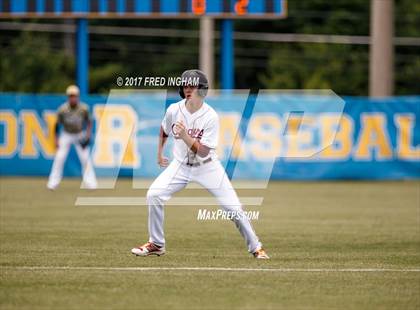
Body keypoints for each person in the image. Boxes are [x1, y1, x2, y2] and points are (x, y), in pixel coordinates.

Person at [131, 70, 269, 259]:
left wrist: (186, 136)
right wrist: (159, 152)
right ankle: (156, 243)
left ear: (202, 90)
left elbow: (203, 151)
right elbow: (164, 130)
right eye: (185, 86)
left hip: (207, 166)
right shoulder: (174, 110)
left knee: (233, 208)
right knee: (154, 194)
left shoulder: (210, 116)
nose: (188, 89)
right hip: (180, 165)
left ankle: (256, 247)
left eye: (192, 86)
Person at [47, 85, 97, 190]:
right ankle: (52, 183)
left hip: (79, 134)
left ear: (78, 97)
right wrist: (56, 139)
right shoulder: (63, 109)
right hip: (66, 134)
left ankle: (91, 183)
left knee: (85, 158)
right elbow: (56, 124)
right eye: (70, 96)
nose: (72, 98)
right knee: (59, 157)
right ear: (68, 97)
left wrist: (88, 135)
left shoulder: (84, 108)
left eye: (74, 96)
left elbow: (89, 121)